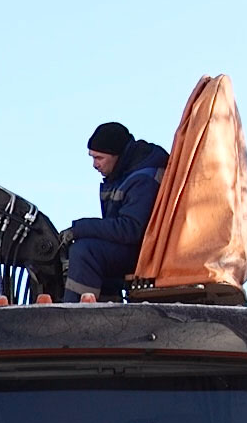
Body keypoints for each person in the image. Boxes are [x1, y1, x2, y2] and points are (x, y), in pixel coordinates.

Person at [62, 121, 169, 302]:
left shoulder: (143, 179)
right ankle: (107, 304)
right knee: (89, 246)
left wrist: (80, 228)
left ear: (117, 155)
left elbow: (131, 229)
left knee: (86, 251)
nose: (94, 165)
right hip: (134, 248)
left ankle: (76, 312)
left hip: (148, 252)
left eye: (99, 158)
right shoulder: (122, 174)